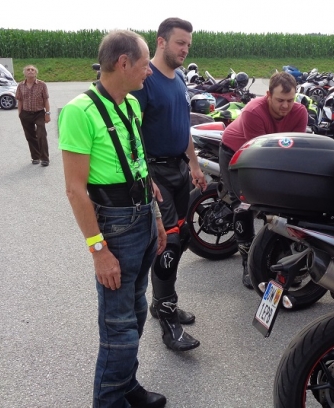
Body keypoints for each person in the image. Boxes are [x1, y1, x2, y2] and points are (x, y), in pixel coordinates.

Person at [59, 30, 168, 408]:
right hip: (116, 225)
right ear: (123, 63)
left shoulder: (132, 104)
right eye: (145, 64)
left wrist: (156, 218)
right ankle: (108, 400)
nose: (149, 71)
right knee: (118, 329)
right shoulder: (79, 112)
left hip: (142, 218)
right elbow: (75, 190)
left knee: (136, 312)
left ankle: (126, 385)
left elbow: (140, 166)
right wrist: (98, 250)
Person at [131, 17, 206, 352]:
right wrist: (145, 177)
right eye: (180, 43)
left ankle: (161, 302)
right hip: (156, 172)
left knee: (183, 236)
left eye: (188, 44)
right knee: (168, 244)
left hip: (179, 169)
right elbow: (132, 134)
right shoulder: (145, 81)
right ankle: (167, 319)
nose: (185, 49)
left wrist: (194, 164)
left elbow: (182, 126)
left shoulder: (179, 80)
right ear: (161, 41)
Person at [219, 71, 309, 288]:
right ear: (268, 95)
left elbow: (294, 150)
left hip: (272, 156)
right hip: (237, 154)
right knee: (243, 206)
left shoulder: (300, 112)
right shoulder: (254, 111)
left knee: (283, 205)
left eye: (290, 100)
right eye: (280, 100)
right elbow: (260, 158)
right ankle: (247, 264)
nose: (285, 106)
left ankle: (280, 257)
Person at [16, 65, 51, 166]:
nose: (30, 71)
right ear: (25, 73)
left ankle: (45, 158)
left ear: (36, 73)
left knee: (41, 135)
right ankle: (35, 157)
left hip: (39, 113)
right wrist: (20, 114)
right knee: (30, 136)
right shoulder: (20, 86)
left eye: (32, 70)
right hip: (25, 114)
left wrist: (47, 113)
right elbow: (20, 100)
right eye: (28, 70)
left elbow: (45, 100)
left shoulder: (42, 84)